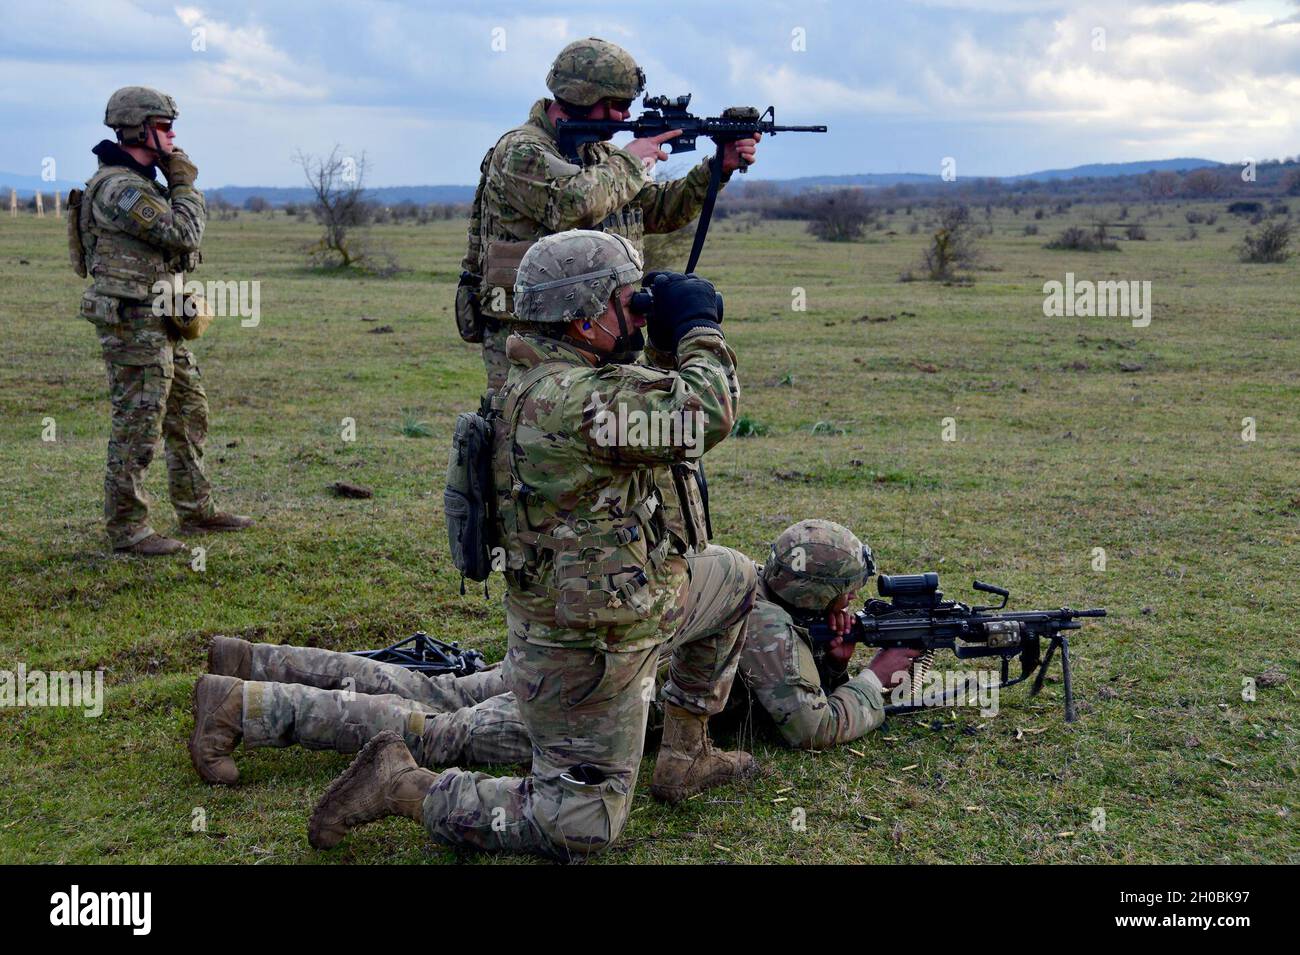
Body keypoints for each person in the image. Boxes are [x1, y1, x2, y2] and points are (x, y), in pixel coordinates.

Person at [307, 229, 754, 860]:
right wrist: (698, 327)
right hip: (585, 647)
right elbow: (704, 413)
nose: (638, 313)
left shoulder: (563, 377)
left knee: (734, 578)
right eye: (629, 302)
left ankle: (685, 756)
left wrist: (650, 329)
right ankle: (400, 783)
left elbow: (644, 402)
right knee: (579, 826)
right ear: (583, 317)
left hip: (641, 599)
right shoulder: (569, 403)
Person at [188, 523, 920, 781]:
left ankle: (254, 659)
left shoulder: (745, 590)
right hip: (589, 705)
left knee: (446, 691)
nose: (851, 611)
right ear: (819, 596)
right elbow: (809, 725)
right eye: (843, 599)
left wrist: (834, 660)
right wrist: (877, 684)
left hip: (578, 660)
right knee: (437, 730)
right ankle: (242, 706)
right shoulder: (764, 625)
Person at [458, 36, 759, 392]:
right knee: (526, 431)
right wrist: (632, 160)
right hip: (535, 329)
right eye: (616, 104)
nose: (625, 116)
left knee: (606, 431)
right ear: (583, 96)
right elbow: (572, 207)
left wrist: (715, 170)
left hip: (605, 321)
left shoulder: (601, 157)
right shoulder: (521, 152)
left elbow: (657, 212)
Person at [75, 86, 251, 555]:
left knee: (189, 411)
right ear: (137, 129)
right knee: (138, 423)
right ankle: (128, 529)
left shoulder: (139, 182)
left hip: (163, 319)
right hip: (133, 323)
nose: (173, 136)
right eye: (164, 126)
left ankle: (197, 508)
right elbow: (183, 231)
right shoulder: (121, 189)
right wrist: (185, 183)